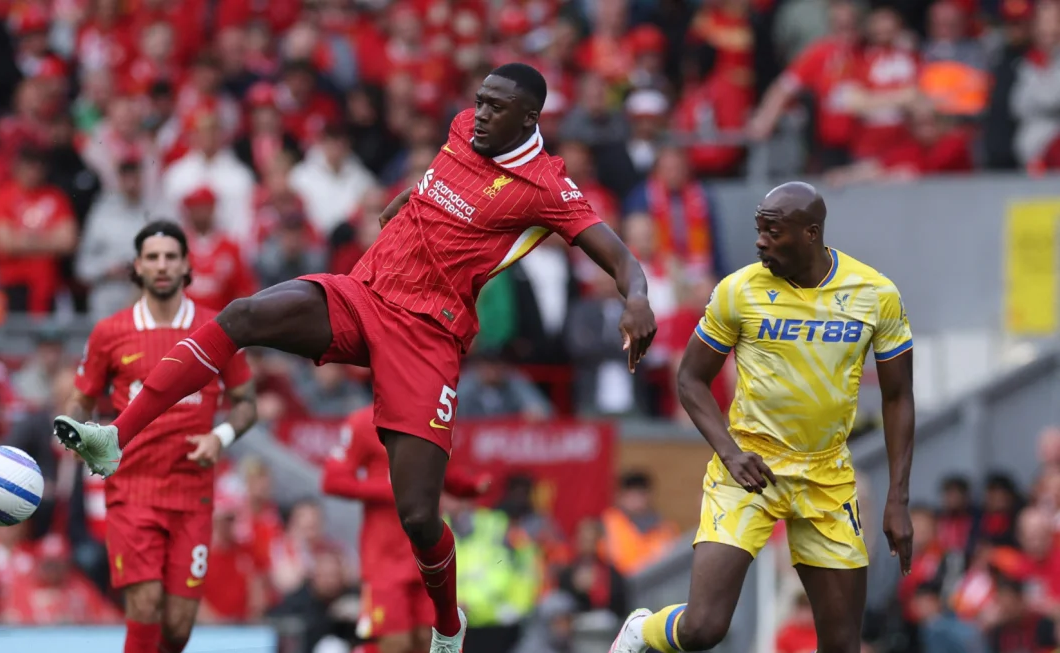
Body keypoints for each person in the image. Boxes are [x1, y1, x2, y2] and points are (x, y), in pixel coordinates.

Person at [55, 62, 658, 653]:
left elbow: (618, 254)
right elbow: (444, 179)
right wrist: (412, 197)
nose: (478, 114)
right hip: (364, 293)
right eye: (477, 100)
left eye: (495, 107)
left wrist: (636, 299)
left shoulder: (547, 186)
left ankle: (448, 624)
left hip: (426, 338)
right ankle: (115, 437)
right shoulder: (462, 130)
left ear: (529, 118)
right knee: (242, 315)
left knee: (419, 516)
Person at [608, 181, 916, 653]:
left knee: (842, 645)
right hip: (750, 467)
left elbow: (898, 398)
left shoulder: (875, 294)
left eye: (773, 231)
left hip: (827, 476)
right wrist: (730, 454)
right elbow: (690, 380)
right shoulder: (738, 291)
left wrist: (898, 498)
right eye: (759, 230)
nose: (760, 241)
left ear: (810, 233)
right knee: (703, 629)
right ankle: (642, 631)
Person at [60, 220, 258, 653]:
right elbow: (81, 403)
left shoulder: (217, 329)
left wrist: (220, 437)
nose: (162, 265)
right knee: (145, 604)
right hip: (133, 489)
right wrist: (80, 437)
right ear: (137, 266)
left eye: (171, 257)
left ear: (188, 265)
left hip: (193, 493)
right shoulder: (110, 332)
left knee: (178, 627)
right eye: (153, 257)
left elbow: (247, 403)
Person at [322, 405, 489, 653]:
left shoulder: (432, 416)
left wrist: (471, 486)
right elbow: (332, 480)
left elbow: (443, 472)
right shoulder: (362, 422)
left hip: (426, 554)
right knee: (396, 644)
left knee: (431, 642)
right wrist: (395, 489)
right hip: (384, 560)